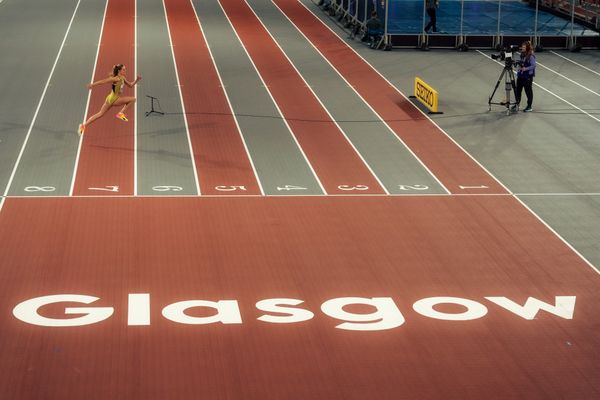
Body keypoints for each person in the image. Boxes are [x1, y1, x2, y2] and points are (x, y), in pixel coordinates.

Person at [78, 64, 141, 135]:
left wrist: (137, 80)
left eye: (125, 69)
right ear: (119, 70)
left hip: (109, 99)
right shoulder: (116, 79)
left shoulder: (123, 78)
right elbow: (103, 81)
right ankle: (121, 113)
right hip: (114, 99)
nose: (125, 71)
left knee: (100, 114)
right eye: (123, 69)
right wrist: (92, 85)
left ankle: (83, 125)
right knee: (133, 99)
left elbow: (130, 85)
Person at [512, 41, 536, 112]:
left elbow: (533, 66)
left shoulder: (531, 56)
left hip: (527, 76)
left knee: (528, 92)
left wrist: (525, 68)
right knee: (518, 91)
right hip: (521, 75)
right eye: (522, 47)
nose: (522, 48)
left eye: (524, 47)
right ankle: (517, 104)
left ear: (527, 48)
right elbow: (522, 62)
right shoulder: (522, 54)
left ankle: (529, 106)